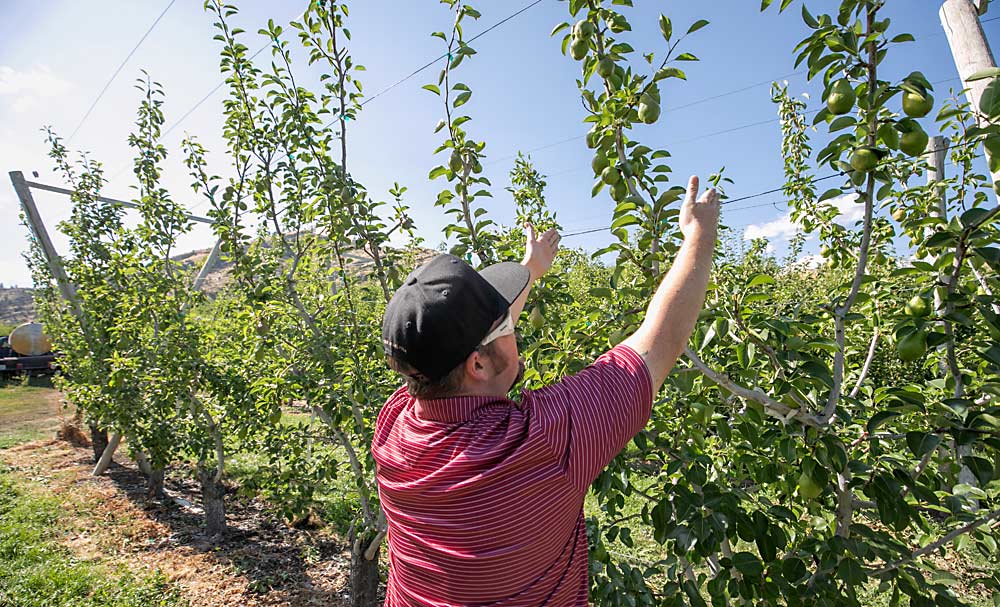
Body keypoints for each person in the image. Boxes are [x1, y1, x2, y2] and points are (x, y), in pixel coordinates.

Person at [373, 175, 721, 606]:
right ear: (477, 364)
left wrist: (529, 272)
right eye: (507, 327)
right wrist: (699, 236)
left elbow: (463, 344)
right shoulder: (542, 441)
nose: (514, 330)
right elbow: (661, 339)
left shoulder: (394, 424)